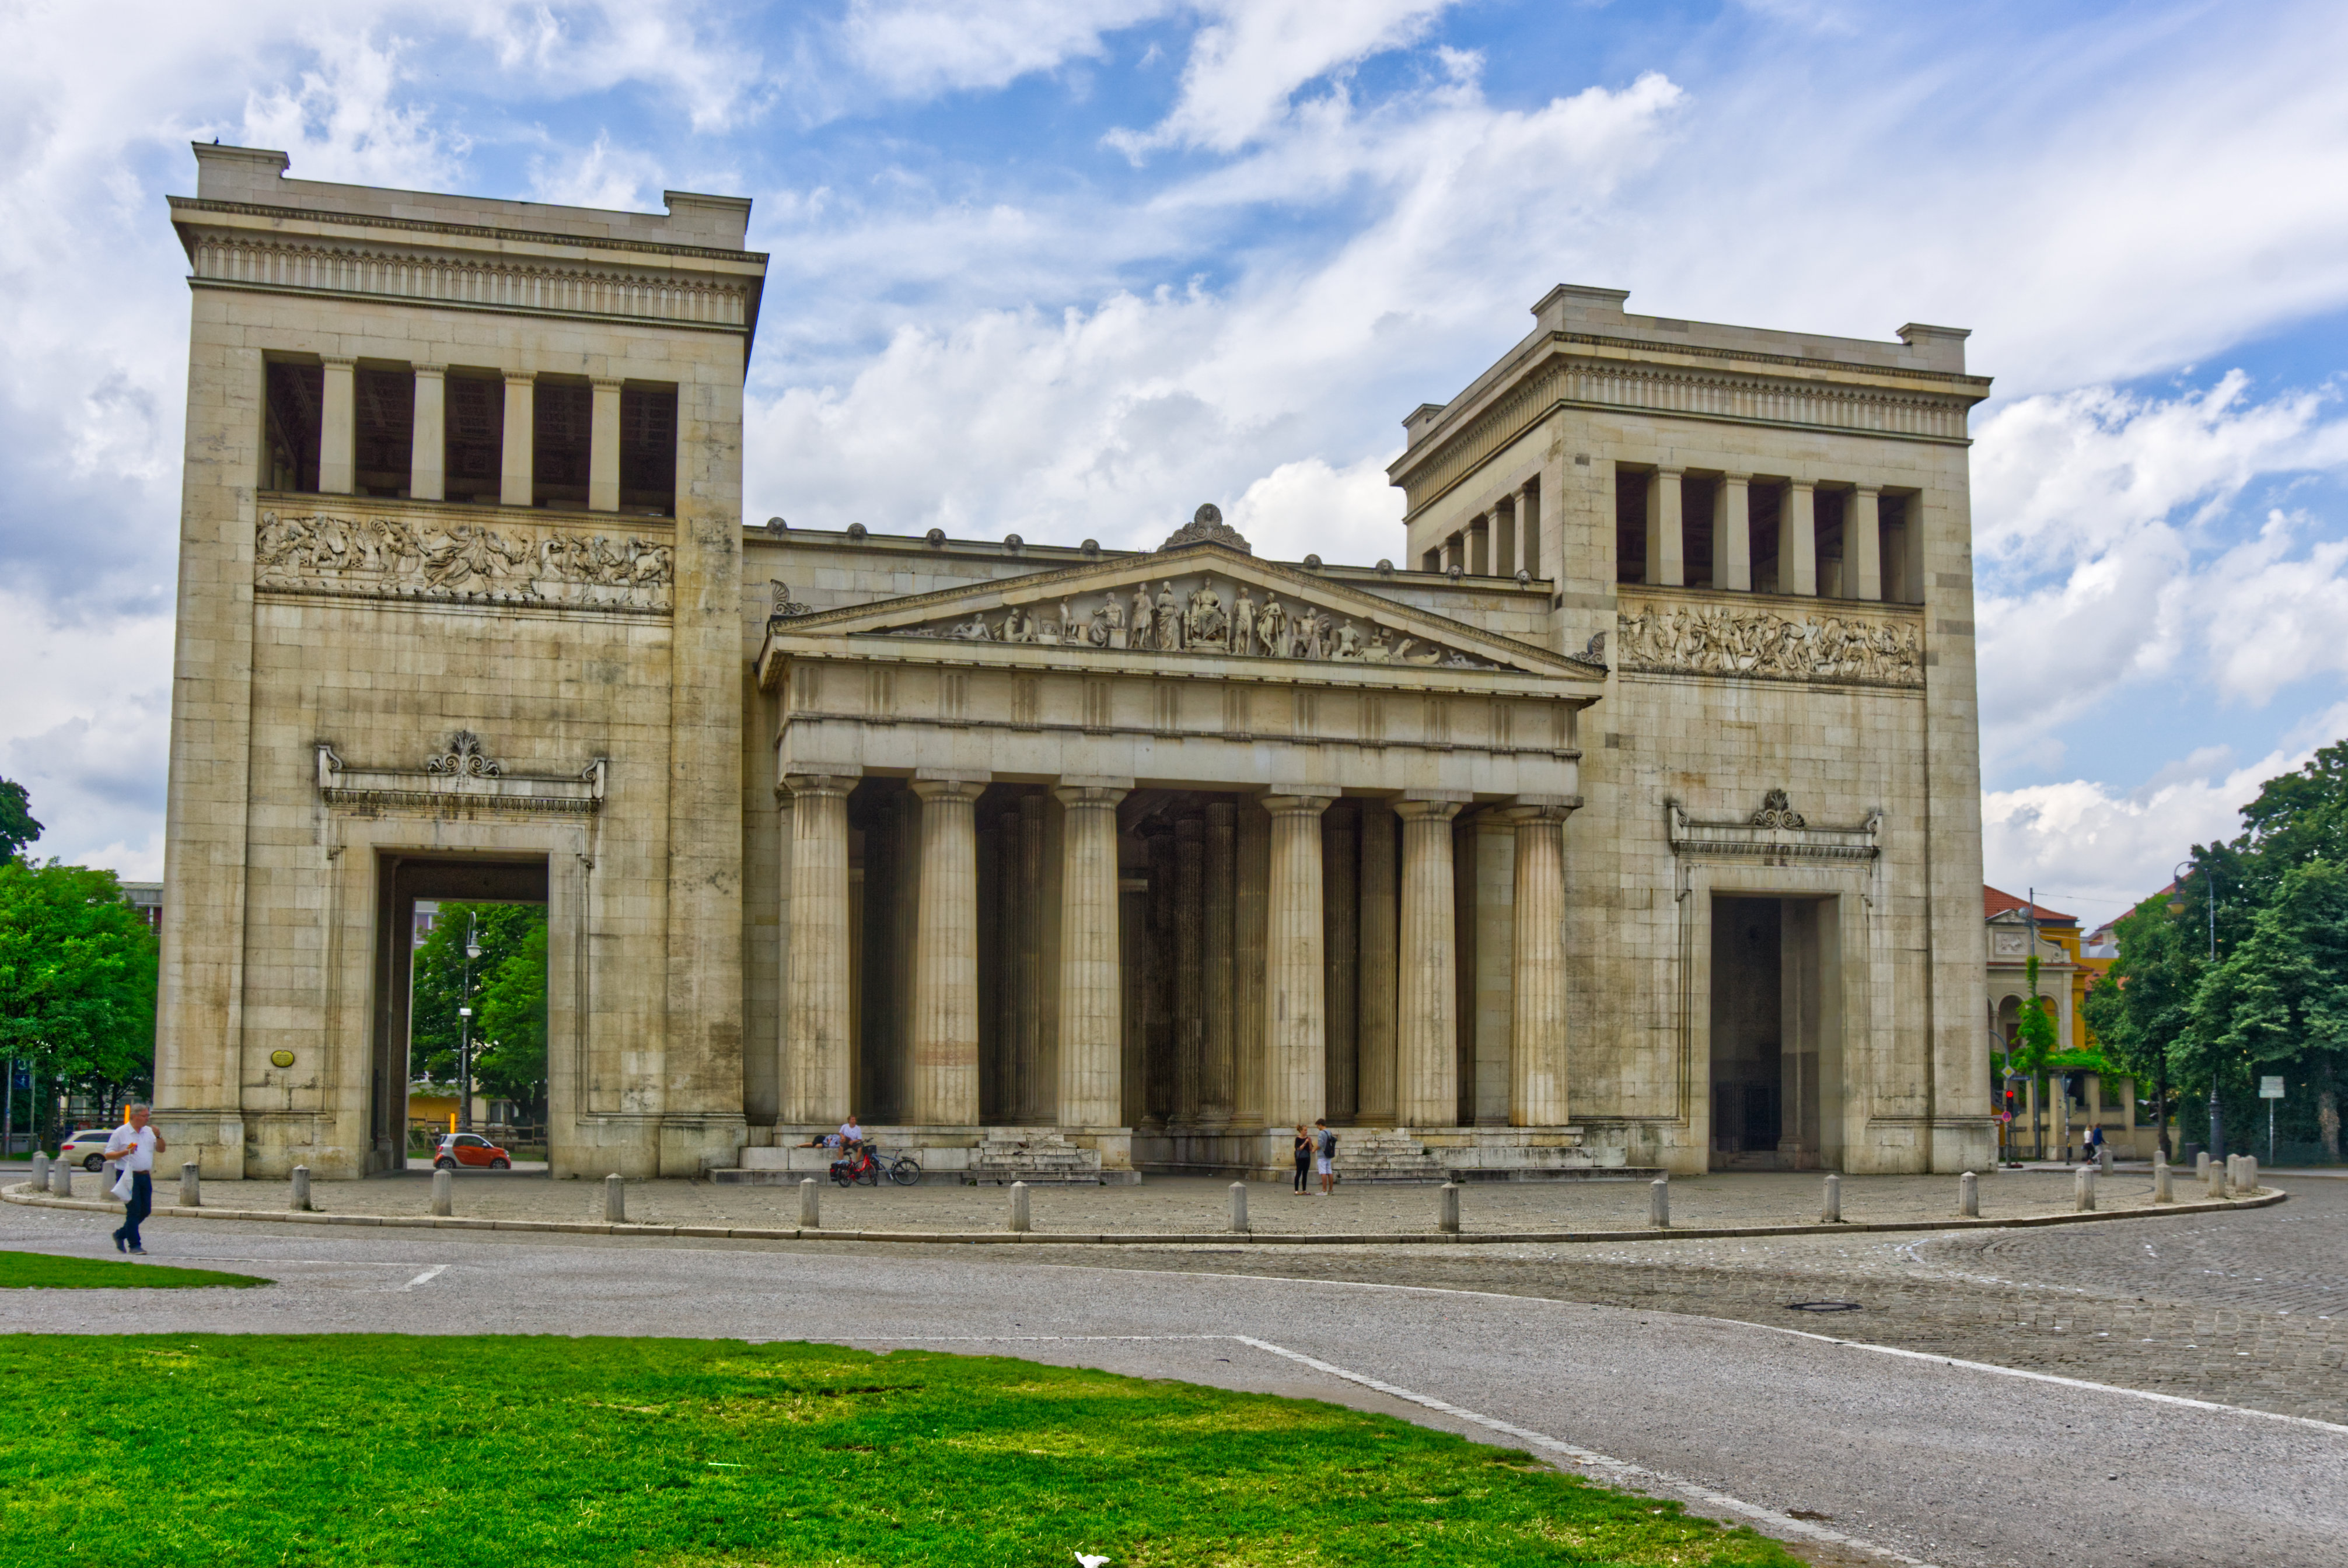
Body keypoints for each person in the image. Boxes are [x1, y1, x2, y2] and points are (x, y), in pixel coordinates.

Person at [103, 1103, 163, 1255]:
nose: (147, 1118)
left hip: (145, 1175)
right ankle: (134, 1245)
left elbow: (161, 1149)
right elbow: (108, 1154)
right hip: (128, 1175)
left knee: (145, 1210)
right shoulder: (121, 1132)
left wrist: (159, 1136)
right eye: (144, 1116)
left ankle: (120, 1234)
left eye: (147, 1115)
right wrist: (125, 1152)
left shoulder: (149, 1132)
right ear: (134, 1116)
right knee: (134, 1210)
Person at [1314, 1118, 1338, 1196]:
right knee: (1329, 1172)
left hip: (1322, 1154)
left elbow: (1320, 1144)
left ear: (1320, 1125)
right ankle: (1331, 1190)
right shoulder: (1329, 1132)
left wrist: (1314, 1149)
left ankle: (1324, 1190)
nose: (1318, 1128)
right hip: (1328, 1154)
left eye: (1318, 1126)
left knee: (1323, 1172)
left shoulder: (1321, 1133)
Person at [1291, 1125, 1311, 1194]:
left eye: (1307, 1130)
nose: (1306, 1131)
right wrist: (1305, 1142)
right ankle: (1296, 1190)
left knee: (1305, 1174)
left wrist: (1310, 1142)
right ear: (1301, 1131)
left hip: (1307, 1157)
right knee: (1299, 1173)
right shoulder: (1298, 1139)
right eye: (1305, 1130)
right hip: (1300, 1158)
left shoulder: (1307, 1138)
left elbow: (1311, 1149)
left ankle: (1304, 1190)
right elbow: (1299, 1148)